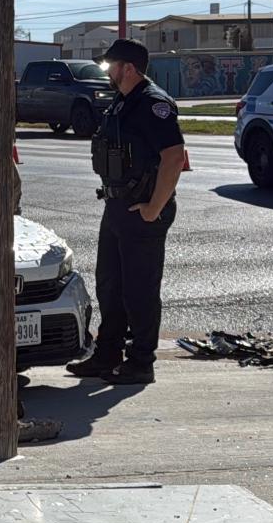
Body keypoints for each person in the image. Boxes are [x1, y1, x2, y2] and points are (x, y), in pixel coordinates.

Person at [66, 38, 187, 386]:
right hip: (117, 205)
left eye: (110, 66)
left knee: (139, 290)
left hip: (142, 209)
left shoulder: (153, 104)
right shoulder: (124, 102)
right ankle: (107, 355)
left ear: (129, 68)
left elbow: (174, 157)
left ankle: (141, 361)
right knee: (110, 285)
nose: (107, 72)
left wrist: (154, 208)